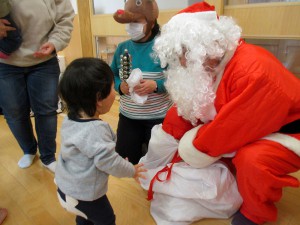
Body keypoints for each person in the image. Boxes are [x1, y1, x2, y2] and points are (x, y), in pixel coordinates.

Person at [152, 2, 300, 225]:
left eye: (185, 51)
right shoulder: (214, 63)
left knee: (252, 160)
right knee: (177, 115)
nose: (182, 62)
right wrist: (163, 148)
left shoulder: (252, 70)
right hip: (247, 124)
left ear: (207, 44)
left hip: (287, 130)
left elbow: (233, 127)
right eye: (178, 53)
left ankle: (254, 214)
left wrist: (194, 149)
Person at [55, 58, 147, 225]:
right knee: (106, 219)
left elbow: (94, 152)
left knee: (84, 216)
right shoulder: (96, 130)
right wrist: (131, 170)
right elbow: (110, 163)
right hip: (85, 196)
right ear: (99, 98)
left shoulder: (70, 120)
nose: (115, 92)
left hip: (65, 188)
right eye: (113, 88)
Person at [0, 0, 75, 172]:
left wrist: (56, 42)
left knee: (47, 111)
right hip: (5, 62)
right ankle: (29, 150)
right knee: (14, 112)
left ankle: (48, 156)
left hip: (44, 60)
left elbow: (65, 17)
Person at [110, 0, 173, 164]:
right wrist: (119, 86)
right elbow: (112, 75)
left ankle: (147, 148)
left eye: (136, 22)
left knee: (158, 160)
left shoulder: (163, 47)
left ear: (151, 23)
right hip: (128, 117)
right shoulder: (122, 48)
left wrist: (156, 85)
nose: (131, 26)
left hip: (158, 117)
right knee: (126, 158)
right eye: (128, 22)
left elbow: (176, 78)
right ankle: (141, 147)